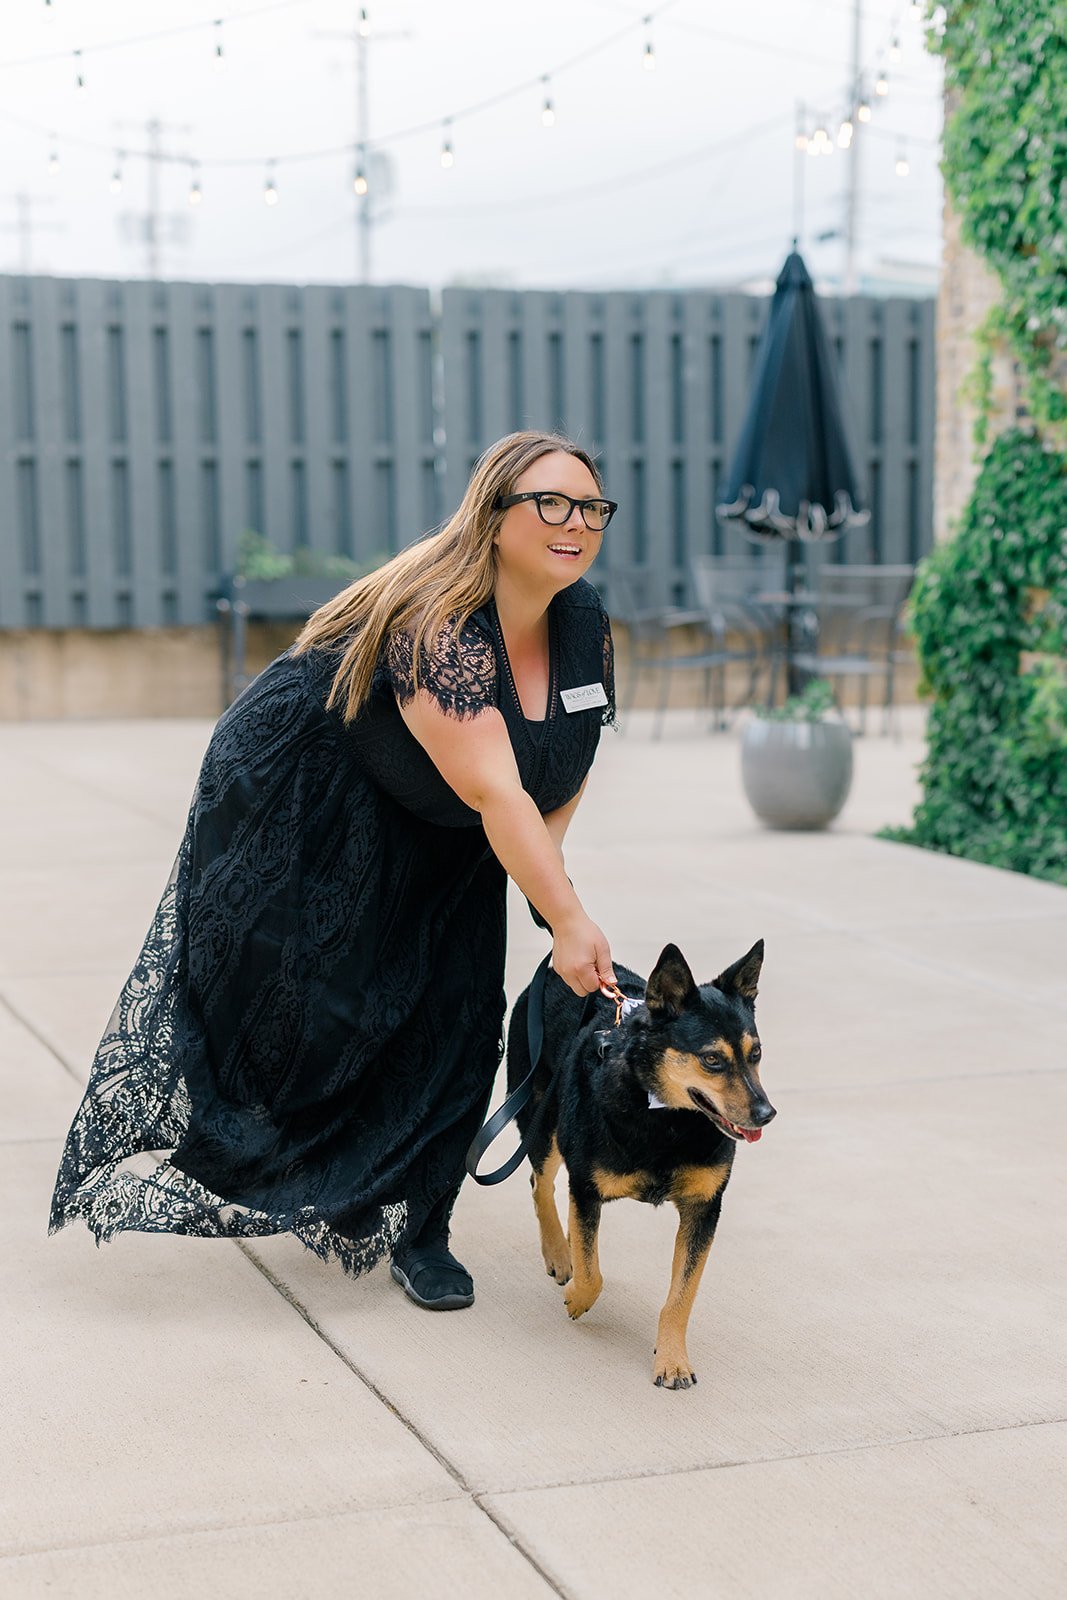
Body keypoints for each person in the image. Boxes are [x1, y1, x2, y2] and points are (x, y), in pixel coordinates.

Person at [50, 430, 618, 1311]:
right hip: (314, 792)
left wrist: (555, 913)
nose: (573, 523)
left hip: (451, 812)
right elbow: (498, 791)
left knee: (459, 1013)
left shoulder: (581, 623)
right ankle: (312, 1168)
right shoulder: (439, 624)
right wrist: (571, 920)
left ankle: (421, 1230)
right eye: (549, 503)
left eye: (589, 508)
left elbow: (558, 764)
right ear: (493, 516)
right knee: (334, 1006)